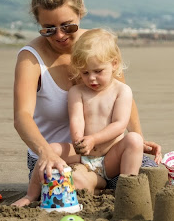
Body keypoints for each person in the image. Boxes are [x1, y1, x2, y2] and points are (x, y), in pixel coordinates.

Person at [11, 0, 161, 207]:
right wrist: (46, 151)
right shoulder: (30, 59)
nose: (59, 35)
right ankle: (93, 184)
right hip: (56, 154)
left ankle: (102, 184)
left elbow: (123, 100)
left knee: (156, 178)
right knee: (67, 183)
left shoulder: (98, 47)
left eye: (68, 26)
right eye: (48, 29)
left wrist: (138, 139)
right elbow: (22, 118)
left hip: (106, 153)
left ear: (81, 11)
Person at [49, 28, 143, 192]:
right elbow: (76, 119)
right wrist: (79, 140)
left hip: (109, 159)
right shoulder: (77, 91)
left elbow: (120, 124)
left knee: (134, 140)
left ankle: (128, 189)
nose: (91, 78)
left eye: (98, 71)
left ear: (114, 64)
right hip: (82, 157)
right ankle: (33, 192)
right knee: (52, 149)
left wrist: (93, 139)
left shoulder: (122, 91)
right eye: (85, 73)